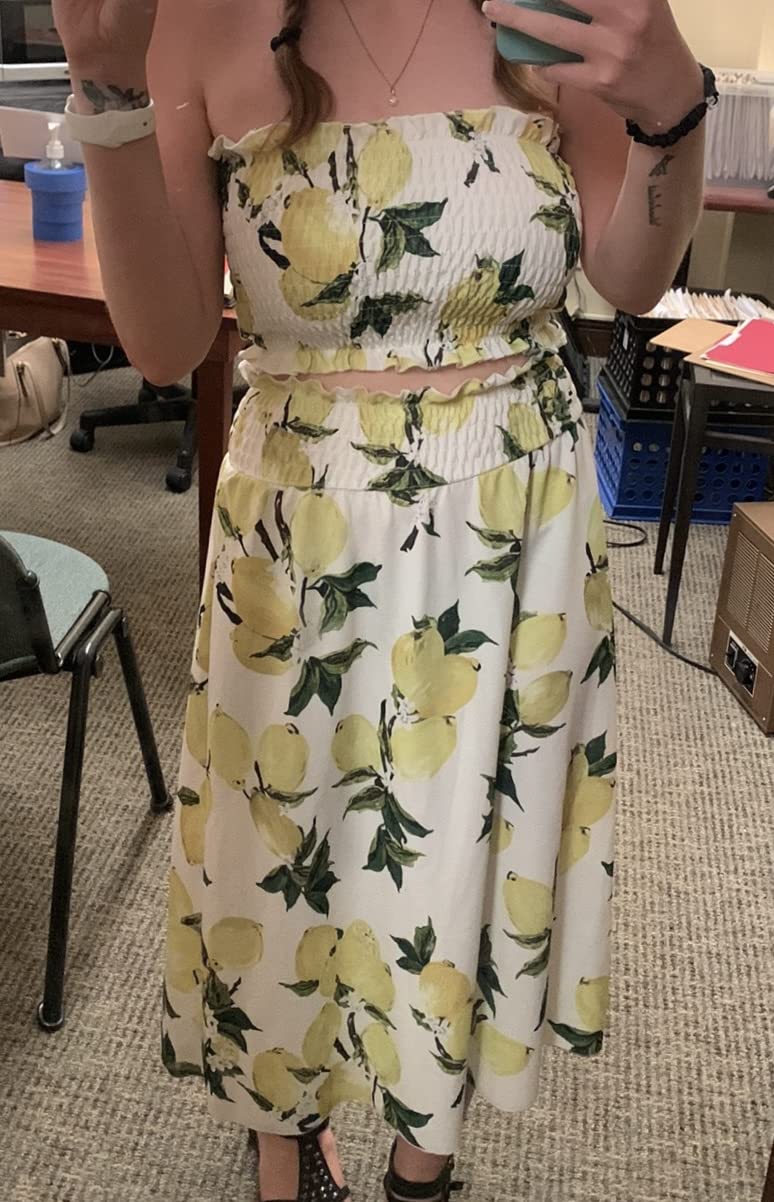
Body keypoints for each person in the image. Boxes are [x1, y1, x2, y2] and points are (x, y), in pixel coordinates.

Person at [54, 0, 713, 1198]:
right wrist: (105, 85)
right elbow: (162, 344)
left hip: (510, 536)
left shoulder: (557, 7)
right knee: (282, 874)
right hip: (296, 541)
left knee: (458, 870)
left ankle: (424, 1162)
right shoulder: (195, 17)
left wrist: (672, 109)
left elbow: (627, 278)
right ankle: (286, 1142)